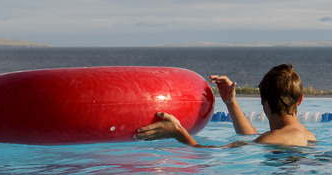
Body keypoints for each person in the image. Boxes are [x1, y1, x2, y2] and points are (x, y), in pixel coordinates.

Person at [133, 63, 317, 147]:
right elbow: (254, 138)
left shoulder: (270, 140)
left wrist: (177, 132)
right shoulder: (309, 136)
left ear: (262, 99)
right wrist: (231, 102)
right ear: (300, 99)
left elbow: (206, 153)